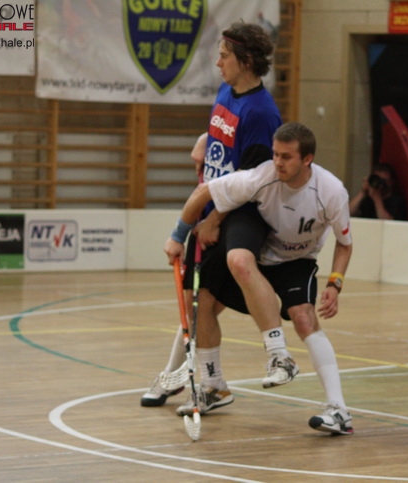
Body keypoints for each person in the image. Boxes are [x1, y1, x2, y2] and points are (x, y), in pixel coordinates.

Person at [164, 122, 354, 434]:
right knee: (203, 302)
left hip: (297, 261)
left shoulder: (331, 191)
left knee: (304, 318)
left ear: (307, 159)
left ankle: (339, 411)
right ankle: (214, 386)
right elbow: (204, 191)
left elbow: (345, 244)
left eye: (286, 157)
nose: (278, 162)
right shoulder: (263, 176)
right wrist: (177, 236)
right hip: (262, 257)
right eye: (275, 154)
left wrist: (335, 283)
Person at [140, 20, 284, 410]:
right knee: (196, 304)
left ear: (246, 60)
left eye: (223, 56)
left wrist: (213, 221)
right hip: (208, 208)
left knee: (200, 303)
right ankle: (185, 379)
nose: (217, 62)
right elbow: (222, 134)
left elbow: (250, 184)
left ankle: (201, 382)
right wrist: (204, 142)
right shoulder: (226, 91)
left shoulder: (262, 114)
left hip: (232, 218)